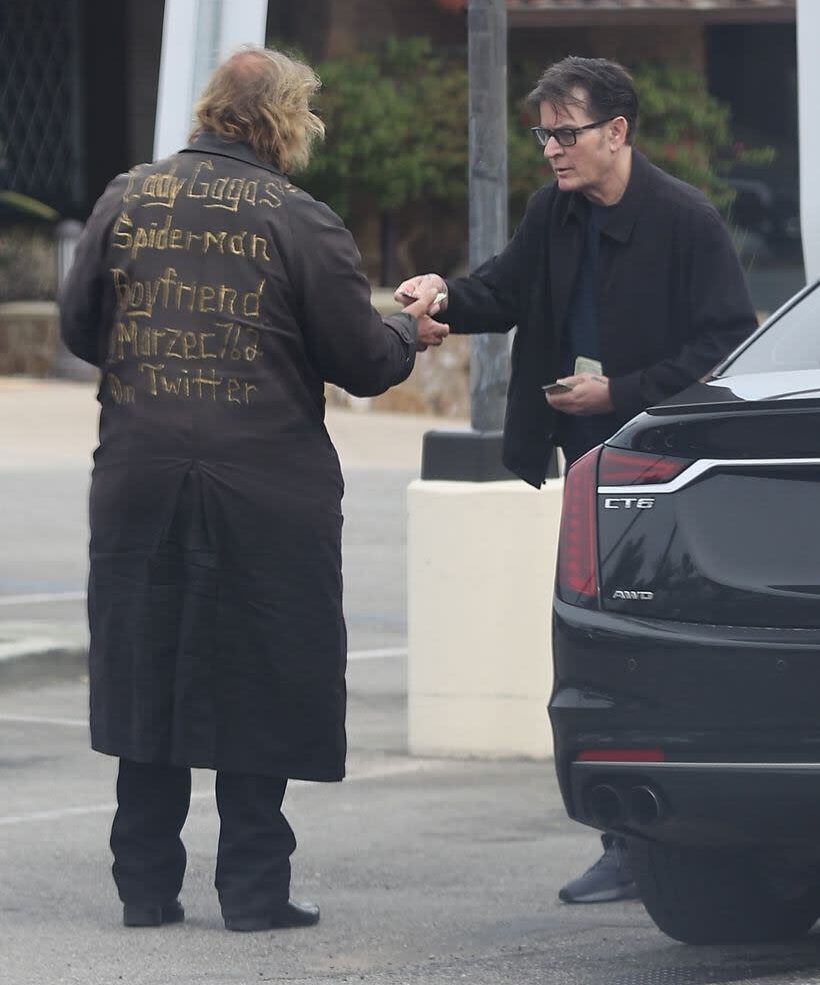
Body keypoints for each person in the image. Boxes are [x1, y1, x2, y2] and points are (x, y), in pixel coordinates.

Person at [59, 46, 448, 932]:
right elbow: (359, 359)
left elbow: (83, 327)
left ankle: (146, 890)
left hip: (137, 476)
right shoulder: (300, 220)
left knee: (147, 668)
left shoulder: (127, 196)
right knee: (261, 674)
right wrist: (407, 331)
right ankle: (253, 892)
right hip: (265, 484)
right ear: (283, 120)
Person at [395, 56, 757, 904]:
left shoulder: (686, 220)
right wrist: (441, 296)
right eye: (543, 134)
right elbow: (508, 289)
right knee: (593, 645)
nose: (552, 149)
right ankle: (623, 841)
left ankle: (662, 841)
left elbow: (725, 346)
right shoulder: (552, 211)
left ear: (617, 132)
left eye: (567, 133)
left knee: (650, 654)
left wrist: (620, 392)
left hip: (665, 472)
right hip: (584, 459)